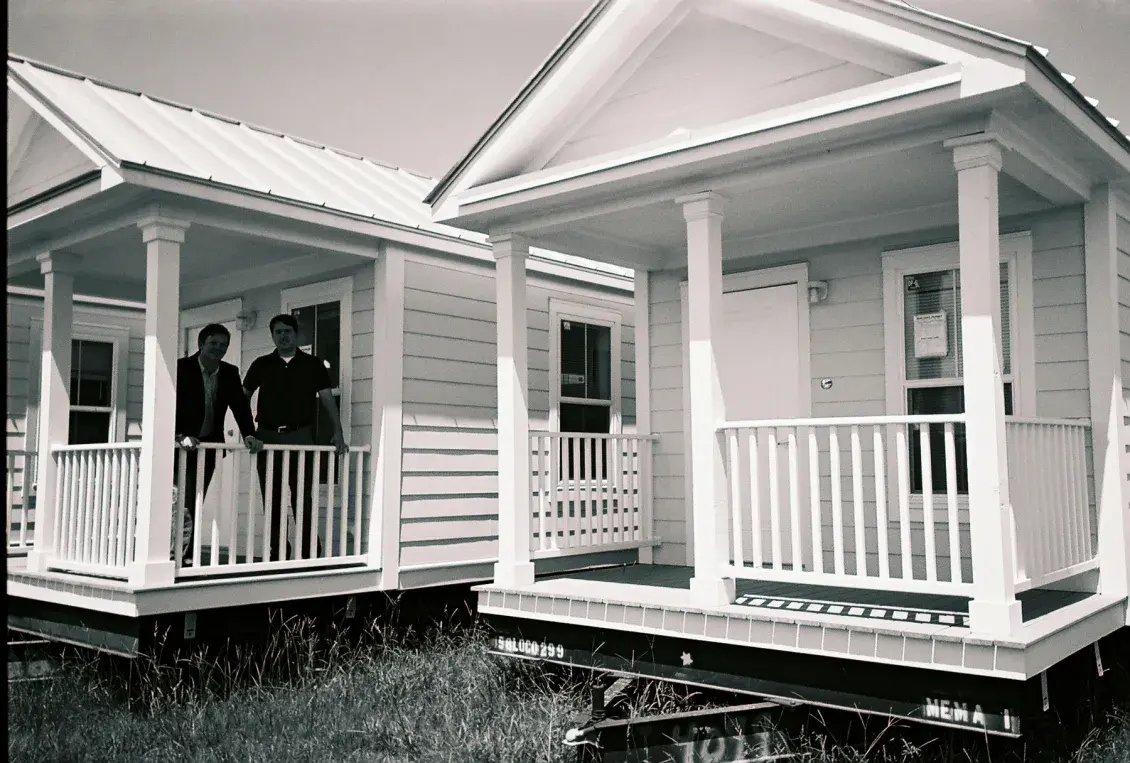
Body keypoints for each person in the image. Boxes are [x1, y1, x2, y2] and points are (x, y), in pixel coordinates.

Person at [243, 313, 348, 561]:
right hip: (267, 437)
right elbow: (242, 398)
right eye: (277, 332)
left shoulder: (312, 365)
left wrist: (338, 432)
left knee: (303, 496)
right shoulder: (261, 364)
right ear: (272, 335)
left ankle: (311, 551)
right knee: (273, 497)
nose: (283, 336)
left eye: (287, 331)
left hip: (300, 435)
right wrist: (248, 432)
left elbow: (326, 399)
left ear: (296, 334)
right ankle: (278, 553)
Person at [174, 323, 262, 562]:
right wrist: (179, 435)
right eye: (213, 343)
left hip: (209, 448)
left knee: (194, 499)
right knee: (178, 500)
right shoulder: (181, 369)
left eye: (223, 345)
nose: (218, 349)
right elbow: (167, 405)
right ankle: (172, 552)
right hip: (179, 446)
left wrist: (249, 434)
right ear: (201, 344)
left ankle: (187, 553)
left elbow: (240, 407)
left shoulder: (229, 372)